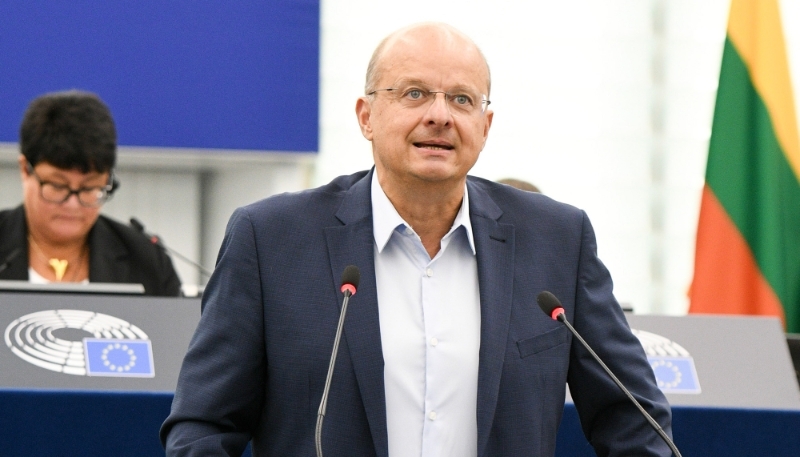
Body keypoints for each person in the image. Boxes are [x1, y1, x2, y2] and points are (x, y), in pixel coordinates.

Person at [161, 23, 673, 456]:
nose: (439, 115)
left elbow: (633, 420)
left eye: (461, 99)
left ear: (485, 125)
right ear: (366, 116)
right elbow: (203, 425)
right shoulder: (270, 239)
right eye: (413, 94)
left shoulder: (558, 240)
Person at [0, 90, 181, 296]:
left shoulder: (146, 260)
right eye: (58, 186)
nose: (73, 204)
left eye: (89, 188)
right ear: (25, 169)